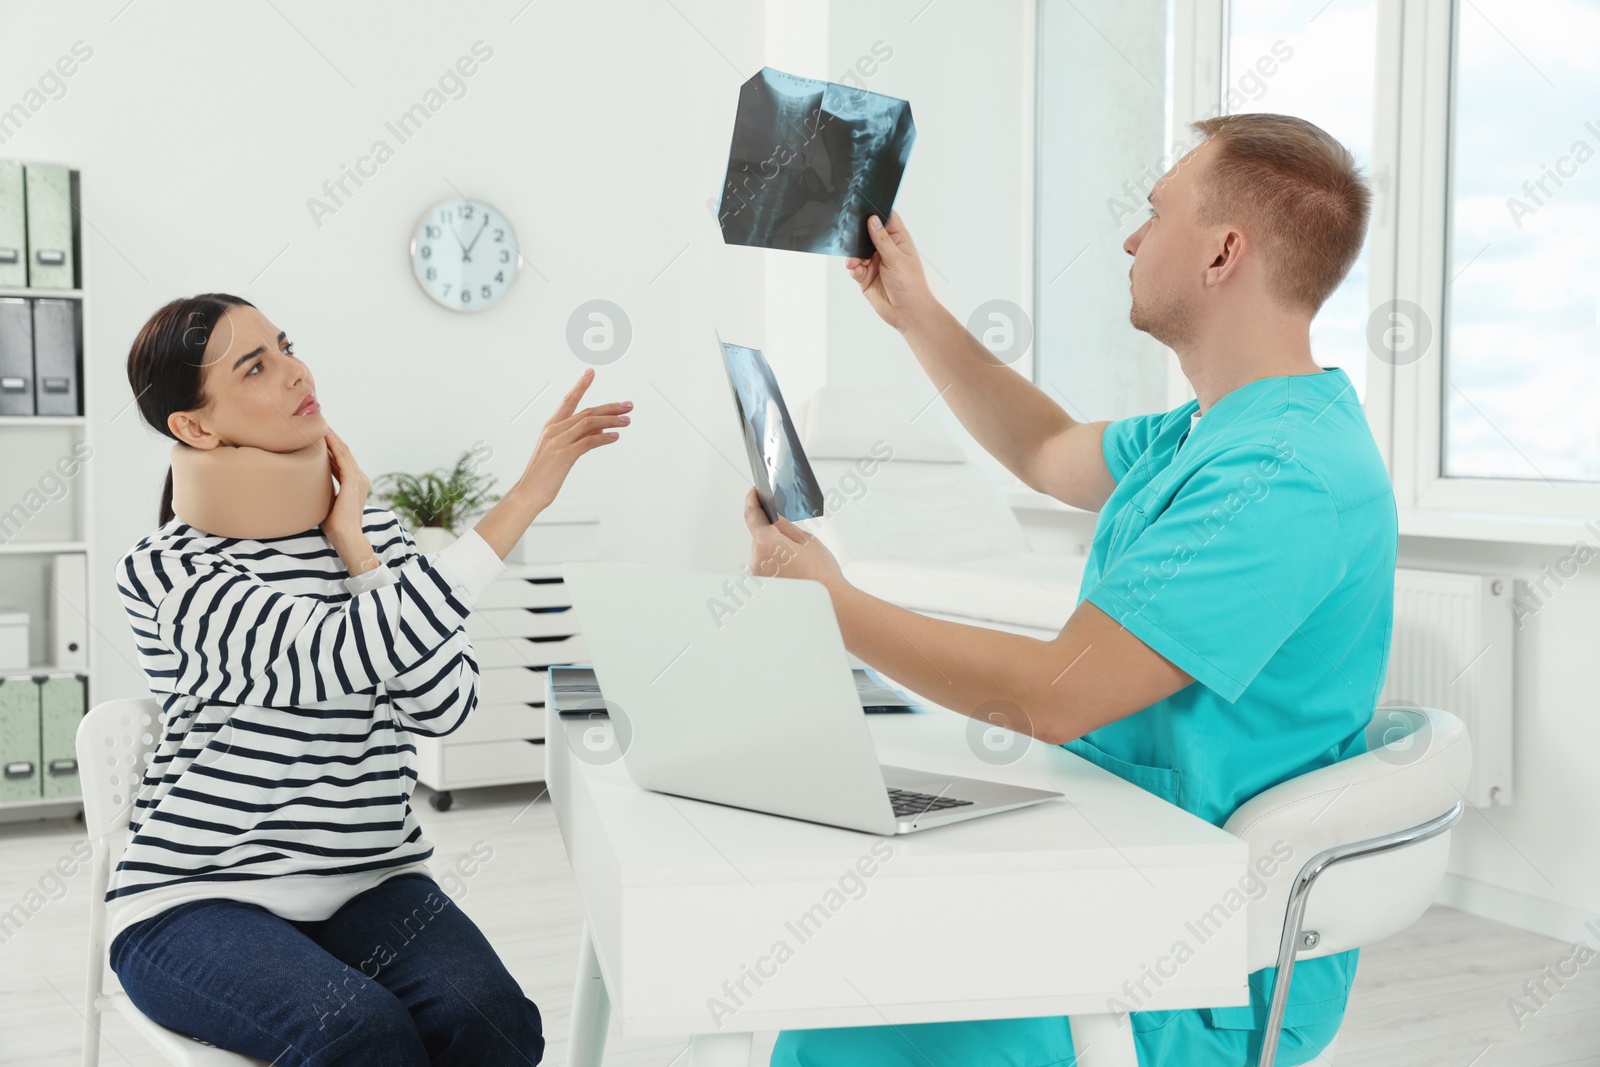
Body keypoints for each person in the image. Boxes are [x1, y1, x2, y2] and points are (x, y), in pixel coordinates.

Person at [744, 113, 1395, 1066]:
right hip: (1119, 869)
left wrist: (832, 603)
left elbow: (1055, 692)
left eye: (1155, 210)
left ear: (1223, 252)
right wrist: (915, 308)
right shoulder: (1210, 430)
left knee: (844, 1021)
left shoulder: (1283, 477)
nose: (1133, 237)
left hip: (1200, 964)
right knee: (845, 961)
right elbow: (1046, 451)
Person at [111, 293, 631, 1066]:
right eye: (257, 366)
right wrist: (524, 500)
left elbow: (444, 705)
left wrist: (357, 551)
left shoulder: (374, 533)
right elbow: (331, 653)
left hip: (371, 879)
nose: (296, 373)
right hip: (196, 896)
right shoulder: (169, 570)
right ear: (194, 427)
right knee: (360, 1033)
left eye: (286, 345)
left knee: (495, 1023)